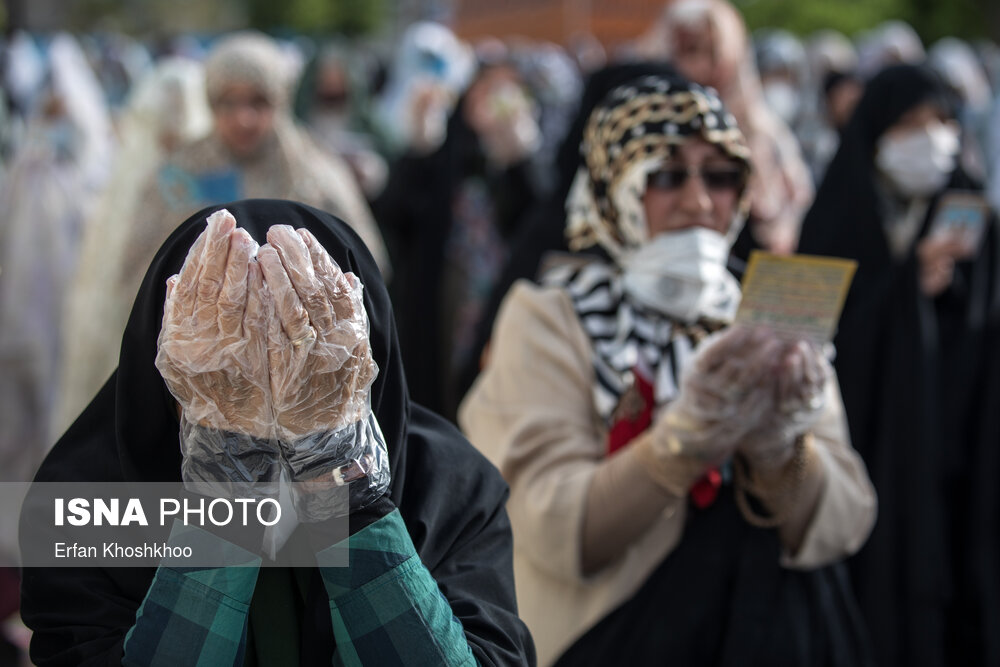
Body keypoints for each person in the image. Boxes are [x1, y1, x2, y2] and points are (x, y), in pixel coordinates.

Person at [459, 73, 876, 667]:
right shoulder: (551, 317)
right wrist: (686, 440)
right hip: (615, 637)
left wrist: (781, 447)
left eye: (722, 176)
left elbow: (846, 520)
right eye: (666, 175)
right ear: (614, 187)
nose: (700, 201)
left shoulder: (768, 313)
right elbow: (549, 525)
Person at [19, 199, 534, 666]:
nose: (271, 422)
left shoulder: (451, 489)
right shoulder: (85, 508)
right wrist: (225, 495)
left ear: (366, 366)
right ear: (159, 372)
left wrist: (340, 476)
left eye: (309, 368)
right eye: (228, 375)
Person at [797, 63, 1000, 667]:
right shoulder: (837, 212)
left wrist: (945, 290)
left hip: (956, 462)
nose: (931, 138)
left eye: (942, 121)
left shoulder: (968, 205)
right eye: (911, 124)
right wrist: (902, 287)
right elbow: (809, 341)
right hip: (868, 456)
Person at [118, 31, 389, 305]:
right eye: (228, 102)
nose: (243, 119)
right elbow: (138, 276)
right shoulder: (179, 174)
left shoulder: (314, 174)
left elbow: (366, 269)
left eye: (258, 101)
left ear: (280, 102)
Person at [376, 53, 541, 421]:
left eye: (508, 89)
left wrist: (518, 161)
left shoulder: (526, 156)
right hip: (443, 302)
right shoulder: (443, 151)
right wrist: (418, 150)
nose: (496, 99)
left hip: (503, 303)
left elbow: (535, 223)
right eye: (487, 88)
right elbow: (395, 214)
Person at [635, 0, 814, 257]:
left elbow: (791, 209)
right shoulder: (639, 135)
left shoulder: (763, 133)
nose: (706, 64)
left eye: (714, 50)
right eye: (690, 50)